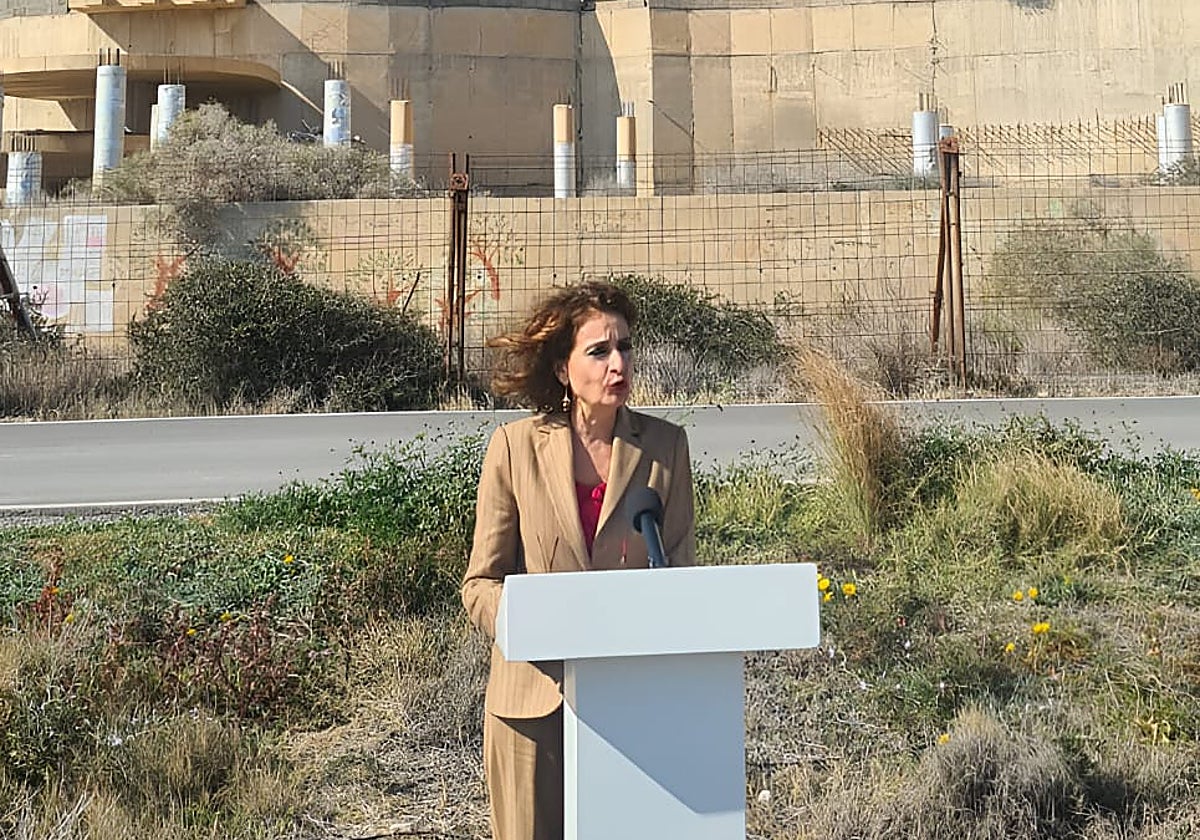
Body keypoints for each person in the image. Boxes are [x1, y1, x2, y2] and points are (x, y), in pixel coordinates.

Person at [461, 280, 697, 840]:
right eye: (599, 351)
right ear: (564, 371)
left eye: (626, 348)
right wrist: (529, 621)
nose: (618, 364)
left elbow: (682, 574)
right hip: (531, 705)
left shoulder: (666, 448)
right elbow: (480, 583)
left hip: (630, 701)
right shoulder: (514, 448)